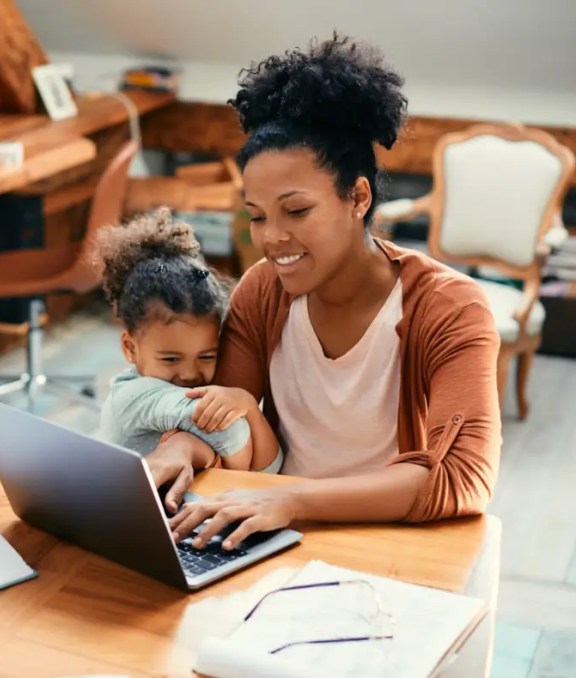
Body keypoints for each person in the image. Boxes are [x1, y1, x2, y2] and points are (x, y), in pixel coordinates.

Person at [152, 34, 502, 552]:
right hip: (267, 532)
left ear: (357, 196)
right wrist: (178, 447)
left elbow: (462, 479)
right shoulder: (261, 292)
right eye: (257, 216)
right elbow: (223, 421)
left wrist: (293, 500)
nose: (271, 238)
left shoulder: (449, 308)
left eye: (296, 211)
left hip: (386, 541)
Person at [94, 209, 282, 473]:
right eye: (171, 358)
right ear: (130, 348)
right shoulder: (131, 397)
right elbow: (231, 432)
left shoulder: (196, 401)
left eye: (206, 356)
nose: (190, 373)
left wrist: (249, 405)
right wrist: (234, 472)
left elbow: (271, 469)